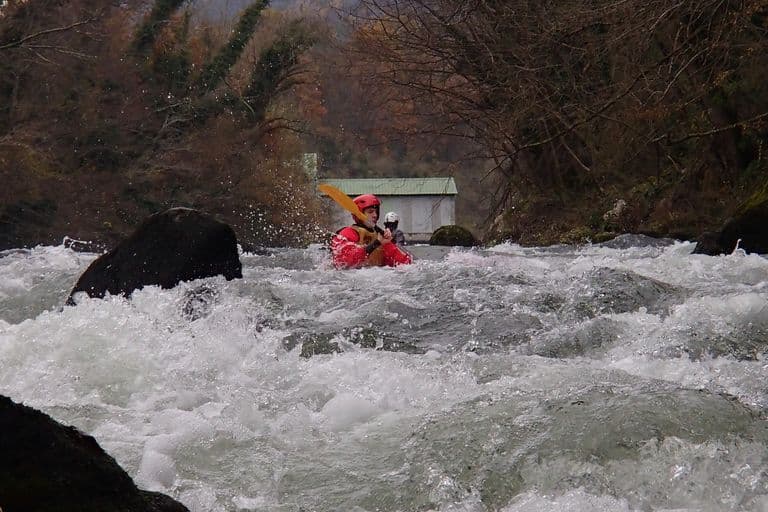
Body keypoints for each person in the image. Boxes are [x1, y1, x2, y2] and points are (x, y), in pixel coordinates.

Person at [331, 194, 413, 269]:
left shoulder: (379, 237)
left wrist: (388, 243)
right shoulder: (347, 233)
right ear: (359, 214)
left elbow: (405, 264)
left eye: (376, 212)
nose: (375, 215)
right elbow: (345, 262)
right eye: (370, 212)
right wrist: (376, 243)